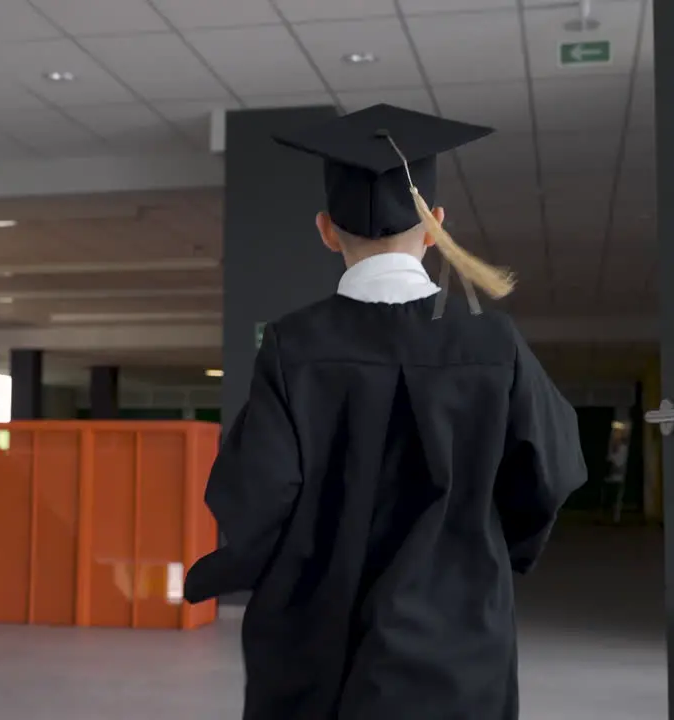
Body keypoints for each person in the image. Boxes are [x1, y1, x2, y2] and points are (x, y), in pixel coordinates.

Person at [184, 104, 588, 719]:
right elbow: (550, 474)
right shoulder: (490, 345)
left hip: (320, 637)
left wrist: (234, 568)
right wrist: (483, 549)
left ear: (325, 229)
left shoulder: (296, 346)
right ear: (435, 225)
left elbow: (257, 491)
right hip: (457, 633)